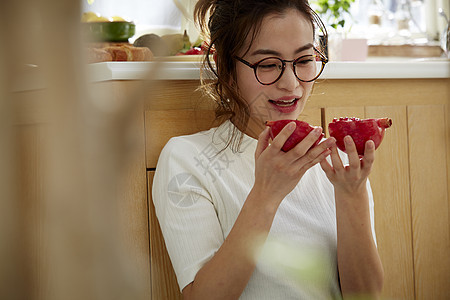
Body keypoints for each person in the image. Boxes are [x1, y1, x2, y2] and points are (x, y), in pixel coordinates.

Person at [152, 0, 384, 299]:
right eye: (268, 65)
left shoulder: (337, 162)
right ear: (227, 68)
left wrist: (352, 196)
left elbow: (365, 295)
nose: (291, 84)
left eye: (303, 61)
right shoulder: (187, 160)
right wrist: (266, 195)